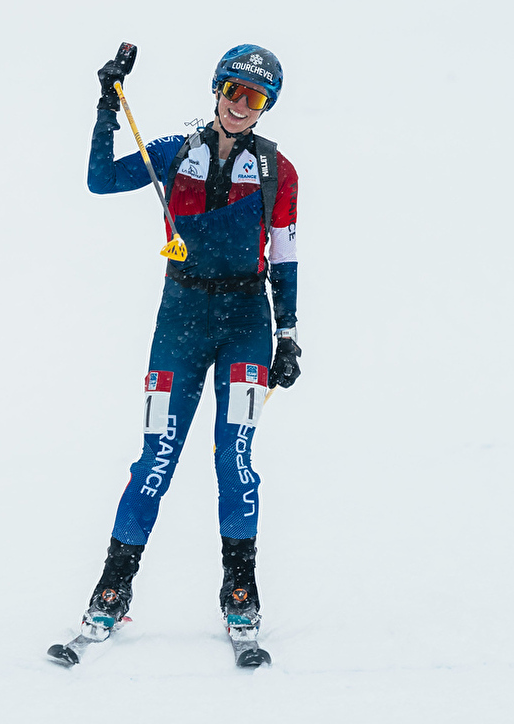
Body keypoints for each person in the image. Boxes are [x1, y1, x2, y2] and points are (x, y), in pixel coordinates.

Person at [81, 44, 300, 662]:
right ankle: (112, 588)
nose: (239, 105)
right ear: (216, 91)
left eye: (253, 98)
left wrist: (288, 333)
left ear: (265, 108)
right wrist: (106, 104)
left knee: (234, 459)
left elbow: (282, 252)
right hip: (179, 319)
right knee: (157, 455)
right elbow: (100, 180)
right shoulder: (177, 150)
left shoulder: (278, 170)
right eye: (232, 91)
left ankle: (240, 591)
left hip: (246, 323)